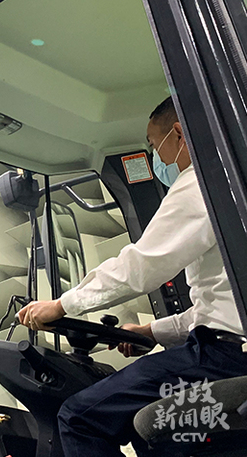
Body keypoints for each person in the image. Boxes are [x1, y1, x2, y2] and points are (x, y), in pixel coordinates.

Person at [16, 97, 247, 457]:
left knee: (79, 418)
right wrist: (150, 332)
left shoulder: (201, 182)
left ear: (179, 133)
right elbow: (221, 304)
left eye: (153, 146)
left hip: (223, 358)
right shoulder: (233, 180)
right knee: (146, 430)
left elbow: (141, 266)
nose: (157, 158)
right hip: (226, 352)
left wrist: (62, 305)